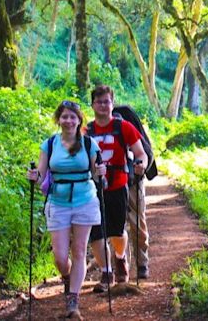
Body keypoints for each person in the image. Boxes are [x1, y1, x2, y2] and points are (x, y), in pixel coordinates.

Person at [27, 100, 105, 319]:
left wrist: (101, 171)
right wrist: (34, 177)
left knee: (79, 250)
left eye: (73, 117)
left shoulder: (89, 144)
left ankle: (73, 300)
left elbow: (97, 174)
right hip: (58, 201)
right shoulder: (50, 144)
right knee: (60, 257)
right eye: (64, 117)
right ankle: (68, 277)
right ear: (58, 120)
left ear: (79, 120)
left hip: (85, 200)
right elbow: (41, 174)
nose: (68, 121)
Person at [87, 85, 148, 292]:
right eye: (99, 101)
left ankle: (120, 258)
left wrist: (140, 164)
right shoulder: (86, 131)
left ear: (112, 103)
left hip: (118, 185)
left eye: (107, 101)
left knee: (117, 230)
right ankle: (106, 272)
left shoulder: (124, 127)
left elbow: (140, 152)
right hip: (93, 188)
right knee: (96, 232)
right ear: (92, 104)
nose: (103, 105)